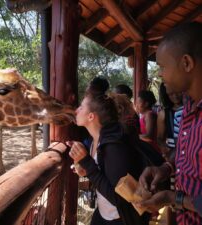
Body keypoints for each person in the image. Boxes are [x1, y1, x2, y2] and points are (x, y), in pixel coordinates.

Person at [137, 22, 202, 224]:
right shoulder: (188, 107)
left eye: (162, 67)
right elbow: (188, 156)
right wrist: (165, 168)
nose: (159, 74)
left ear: (186, 63)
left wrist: (174, 198)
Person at [67, 77, 150, 225]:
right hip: (104, 213)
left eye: (81, 107)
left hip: (119, 218)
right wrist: (86, 169)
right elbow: (104, 174)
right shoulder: (95, 141)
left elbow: (118, 198)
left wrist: (87, 162)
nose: (76, 110)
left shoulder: (113, 147)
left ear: (91, 116)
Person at [157, 83, 183, 160]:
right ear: (166, 95)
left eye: (177, 92)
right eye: (171, 94)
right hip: (172, 154)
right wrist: (165, 154)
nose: (175, 96)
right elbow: (160, 138)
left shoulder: (191, 109)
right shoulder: (164, 113)